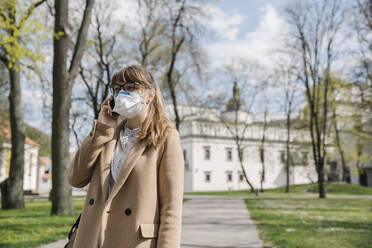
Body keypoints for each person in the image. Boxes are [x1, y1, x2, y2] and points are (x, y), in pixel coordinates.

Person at [66, 65, 184, 248]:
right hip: (92, 239)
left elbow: (171, 209)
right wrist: (102, 130)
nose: (122, 92)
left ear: (149, 95)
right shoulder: (107, 134)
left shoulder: (166, 138)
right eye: (117, 88)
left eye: (130, 87)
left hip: (132, 241)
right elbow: (75, 178)